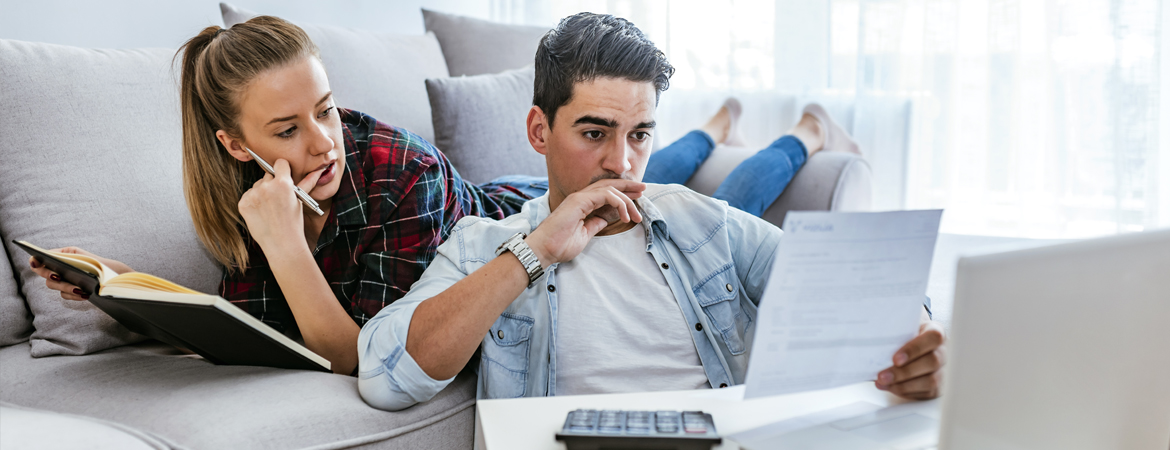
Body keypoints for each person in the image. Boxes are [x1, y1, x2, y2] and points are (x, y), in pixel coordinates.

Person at [26, 15, 845, 376]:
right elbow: (258, 332)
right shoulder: (249, 199)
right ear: (235, 147)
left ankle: (792, 137)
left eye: (325, 109)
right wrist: (118, 297)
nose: (321, 143)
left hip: (510, 206)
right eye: (287, 131)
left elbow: (351, 355)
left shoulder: (397, 173)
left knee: (677, 192)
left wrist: (284, 244)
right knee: (646, 173)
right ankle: (705, 128)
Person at [355, 12, 945, 411]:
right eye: (594, 133)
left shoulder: (700, 220)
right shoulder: (483, 245)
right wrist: (533, 254)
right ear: (540, 130)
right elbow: (385, 379)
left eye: (640, 134)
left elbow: (847, 281)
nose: (622, 162)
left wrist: (916, 332)